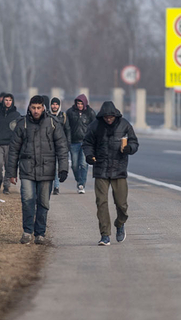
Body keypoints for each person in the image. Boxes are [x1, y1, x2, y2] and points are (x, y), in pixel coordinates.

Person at [6, 95, 70, 245]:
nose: (36, 111)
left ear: (43, 108)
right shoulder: (23, 124)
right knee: (27, 200)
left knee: (43, 203)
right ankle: (27, 231)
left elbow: (62, 147)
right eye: (33, 108)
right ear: (29, 107)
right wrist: (11, 173)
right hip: (27, 170)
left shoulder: (53, 123)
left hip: (47, 170)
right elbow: (14, 149)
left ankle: (40, 234)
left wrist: (63, 169)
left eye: (38, 108)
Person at [82, 101, 139, 246]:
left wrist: (129, 148)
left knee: (122, 204)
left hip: (119, 169)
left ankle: (120, 223)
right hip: (100, 169)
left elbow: (134, 142)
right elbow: (87, 143)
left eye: (111, 117)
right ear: (102, 115)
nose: (108, 119)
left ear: (115, 115)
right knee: (101, 203)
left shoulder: (124, 125)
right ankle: (105, 235)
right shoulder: (95, 126)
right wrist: (89, 155)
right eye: (106, 117)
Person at [65, 94, 96, 194]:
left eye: (81, 104)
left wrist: (93, 141)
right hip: (74, 142)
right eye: (78, 103)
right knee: (74, 165)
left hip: (85, 143)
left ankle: (81, 184)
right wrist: (67, 141)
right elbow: (67, 127)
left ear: (85, 103)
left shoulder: (90, 113)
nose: (79, 105)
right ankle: (79, 179)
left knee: (83, 164)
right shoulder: (70, 112)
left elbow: (94, 127)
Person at [49, 97, 71, 195]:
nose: (55, 106)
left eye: (56, 104)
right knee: (51, 167)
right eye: (53, 104)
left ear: (59, 106)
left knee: (58, 166)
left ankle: (56, 187)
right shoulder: (47, 116)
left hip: (61, 145)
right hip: (49, 145)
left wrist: (68, 144)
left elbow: (68, 131)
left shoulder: (63, 116)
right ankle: (49, 186)